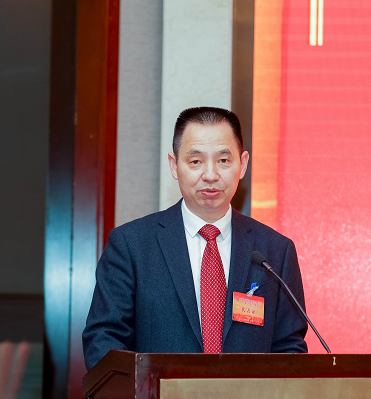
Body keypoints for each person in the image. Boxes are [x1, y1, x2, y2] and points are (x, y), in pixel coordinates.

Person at [82, 107, 308, 370]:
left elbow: (289, 349)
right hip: (156, 396)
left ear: (243, 164)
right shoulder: (131, 245)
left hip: (247, 398)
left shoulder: (275, 251)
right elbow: (103, 340)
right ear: (174, 165)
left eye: (223, 160)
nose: (210, 175)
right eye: (196, 161)